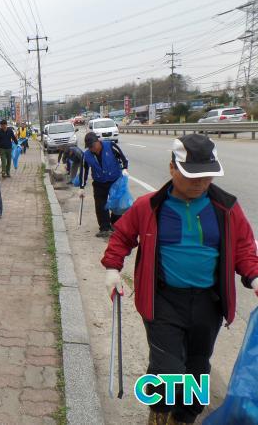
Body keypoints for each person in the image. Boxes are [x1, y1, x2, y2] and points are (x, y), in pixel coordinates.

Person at [101, 134, 258, 425]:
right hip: (163, 300)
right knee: (169, 368)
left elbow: (244, 247)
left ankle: (183, 418)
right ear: (173, 168)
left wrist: (254, 276)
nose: (200, 183)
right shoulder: (149, 207)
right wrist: (112, 268)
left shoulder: (226, 208)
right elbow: (122, 235)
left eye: (206, 176)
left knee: (197, 367)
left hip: (209, 303)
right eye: (192, 176)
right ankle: (160, 412)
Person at [79, 133, 129, 238]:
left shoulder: (110, 146)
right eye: (89, 147)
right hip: (99, 182)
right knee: (100, 205)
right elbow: (84, 171)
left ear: (98, 142)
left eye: (92, 146)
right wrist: (82, 187)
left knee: (116, 203)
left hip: (115, 180)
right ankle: (105, 228)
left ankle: (116, 224)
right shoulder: (86, 155)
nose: (91, 149)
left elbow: (122, 158)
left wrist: (124, 168)